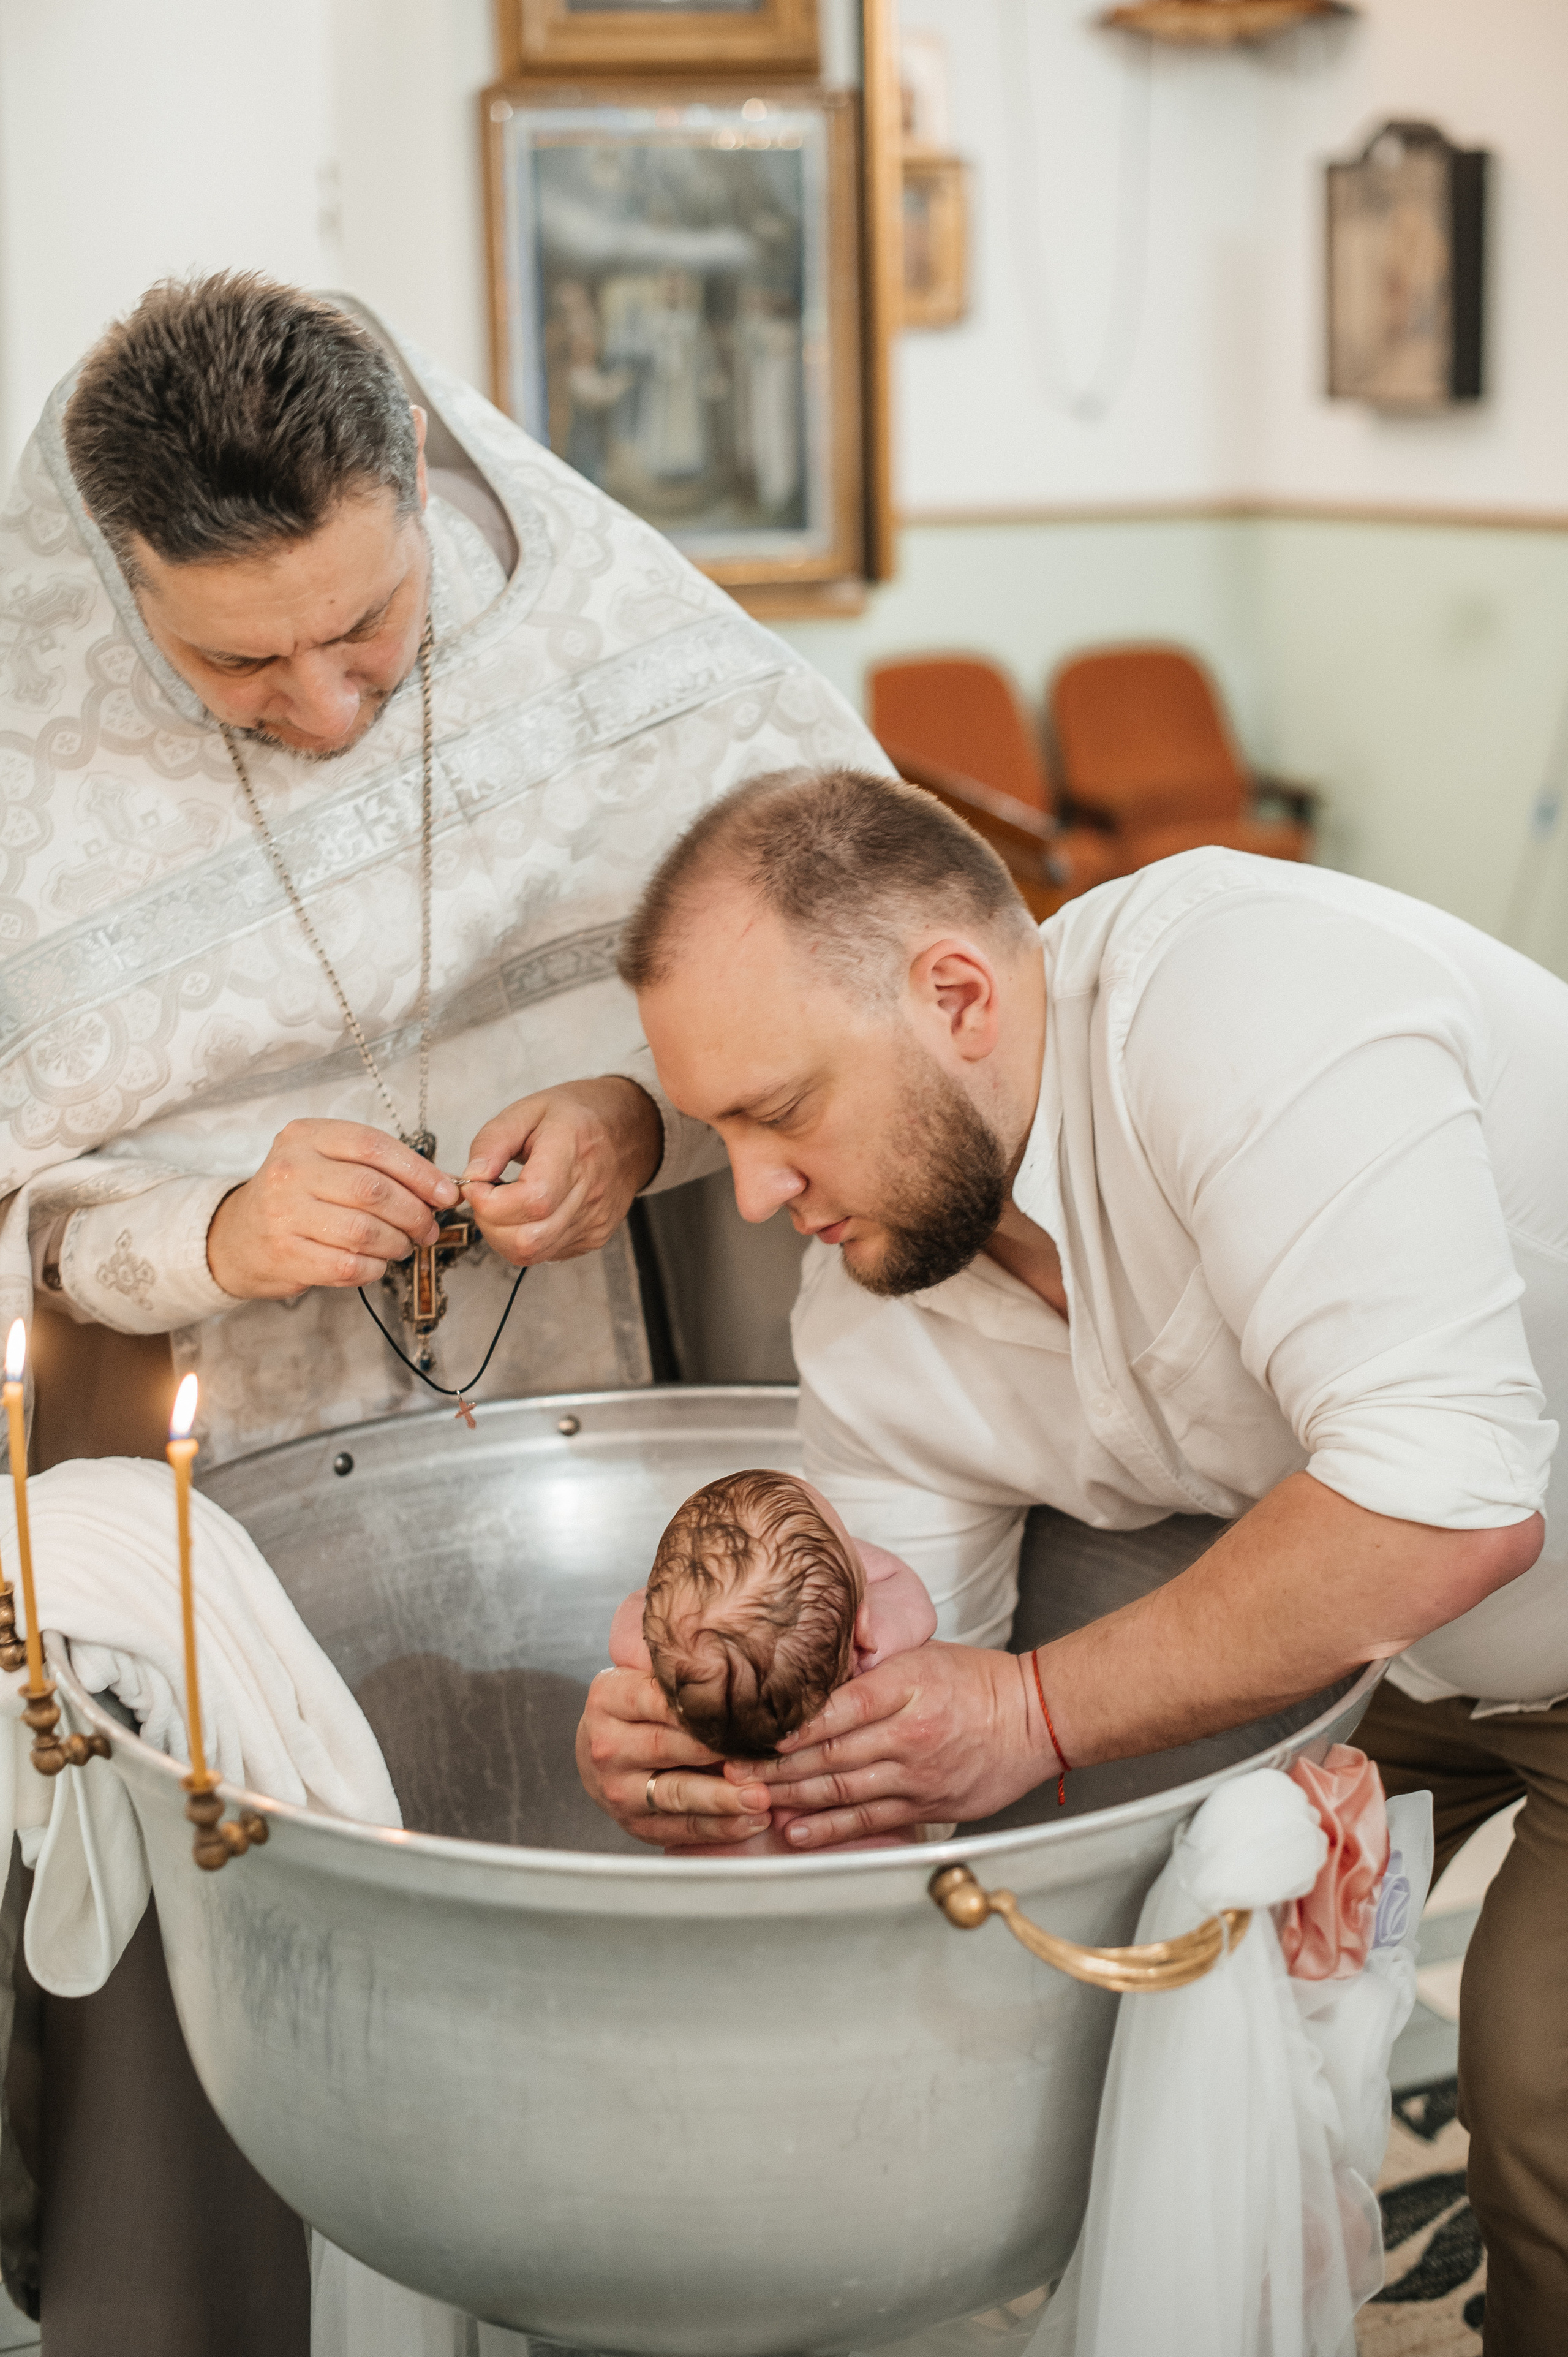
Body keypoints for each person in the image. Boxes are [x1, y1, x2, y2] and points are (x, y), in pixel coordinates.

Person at [0, 282, 886, 2353]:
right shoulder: (24, 752)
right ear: (122, 577)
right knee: (253, 1976)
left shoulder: (601, 634)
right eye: (236, 656)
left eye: (371, 630)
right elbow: (35, 1210)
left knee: (584, 1903)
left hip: (580, 1425)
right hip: (204, 1501)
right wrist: (206, 1227)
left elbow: (849, 950)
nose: (323, 704)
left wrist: (642, 1107)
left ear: (420, 495)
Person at [579, 765, 1568, 2355]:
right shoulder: (868, 1310)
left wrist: (1034, 1709)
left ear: (957, 994)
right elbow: (897, 1726)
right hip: (1374, 1658)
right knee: (1114, 2015)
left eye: (779, 1111)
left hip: (1492, 1597)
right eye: (719, 1131)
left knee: (1539, 2105)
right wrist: (709, 1740)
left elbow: (1442, 1505)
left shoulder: (1248, 1005)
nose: (756, 1193)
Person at [608, 1469, 935, 1856]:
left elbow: (637, 1617)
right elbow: (908, 1593)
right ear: (863, 1629)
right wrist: (828, 1566)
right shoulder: (874, 1664)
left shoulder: (673, 1674)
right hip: (868, 1887)